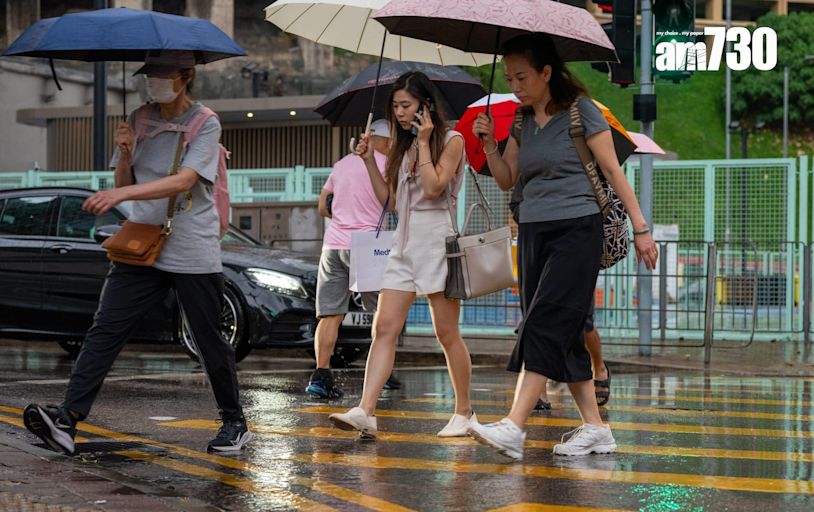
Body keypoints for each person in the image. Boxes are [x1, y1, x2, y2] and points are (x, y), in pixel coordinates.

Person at [21, 51, 251, 454]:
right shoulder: (141, 117)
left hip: (191, 244)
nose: (154, 81)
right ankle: (66, 420)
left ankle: (234, 422)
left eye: (162, 74)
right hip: (142, 242)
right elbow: (126, 177)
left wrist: (122, 193)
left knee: (208, 337)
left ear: (185, 76)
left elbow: (183, 181)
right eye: (149, 74)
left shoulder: (204, 122)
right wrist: (126, 152)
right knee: (105, 328)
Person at [469, 34, 658, 460]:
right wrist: (487, 145)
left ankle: (514, 426)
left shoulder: (581, 112)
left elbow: (613, 170)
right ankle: (596, 429)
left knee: (545, 319)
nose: (515, 85)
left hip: (578, 228)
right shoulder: (520, 121)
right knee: (566, 331)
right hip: (533, 231)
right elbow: (506, 178)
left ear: (546, 72)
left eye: (522, 76)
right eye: (510, 77)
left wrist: (642, 228)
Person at [328, 71, 475, 438]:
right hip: (403, 245)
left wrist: (424, 143)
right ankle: (366, 410)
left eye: (406, 105)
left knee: (446, 333)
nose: (400, 112)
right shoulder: (402, 146)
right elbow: (390, 202)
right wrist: (366, 162)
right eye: (395, 107)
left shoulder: (452, 140)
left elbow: (435, 186)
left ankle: (465, 412)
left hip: (437, 243)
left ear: (425, 105)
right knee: (384, 328)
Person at [306, 119, 401, 398]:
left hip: (333, 245)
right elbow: (393, 204)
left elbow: (323, 205)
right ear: (382, 140)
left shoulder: (342, 163)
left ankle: (321, 376)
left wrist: (345, 217)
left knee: (330, 314)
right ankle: (382, 374)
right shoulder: (386, 164)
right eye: (392, 140)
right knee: (381, 312)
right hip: (368, 246)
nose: (394, 145)